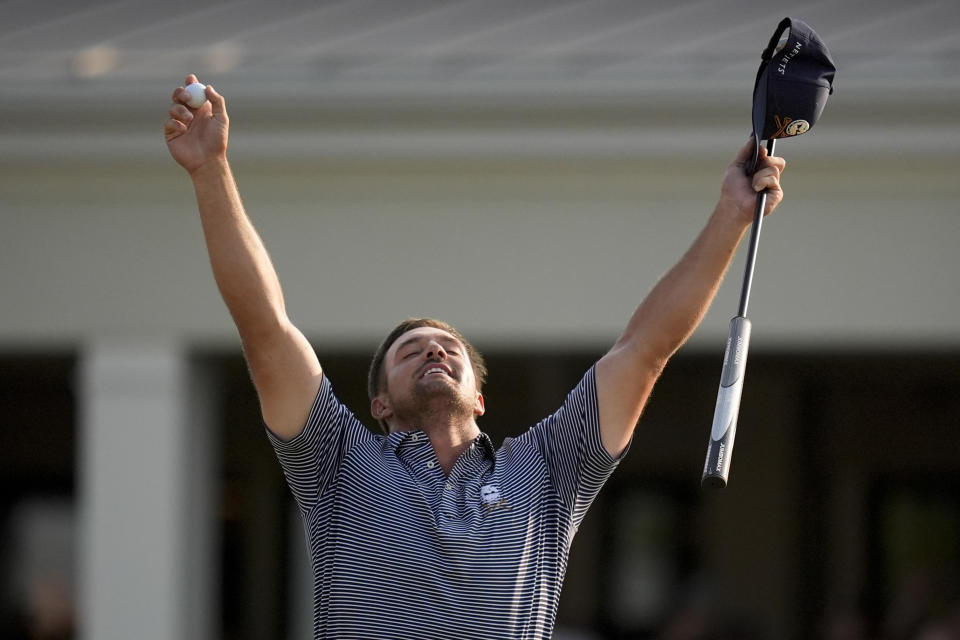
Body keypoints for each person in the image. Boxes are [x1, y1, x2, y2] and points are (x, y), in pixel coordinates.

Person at [164, 74, 785, 640]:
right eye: (409, 352)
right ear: (379, 402)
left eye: (448, 348)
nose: (433, 349)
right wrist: (212, 169)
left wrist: (733, 212)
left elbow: (644, 350)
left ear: (480, 398)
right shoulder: (336, 463)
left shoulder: (547, 471)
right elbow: (265, 328)